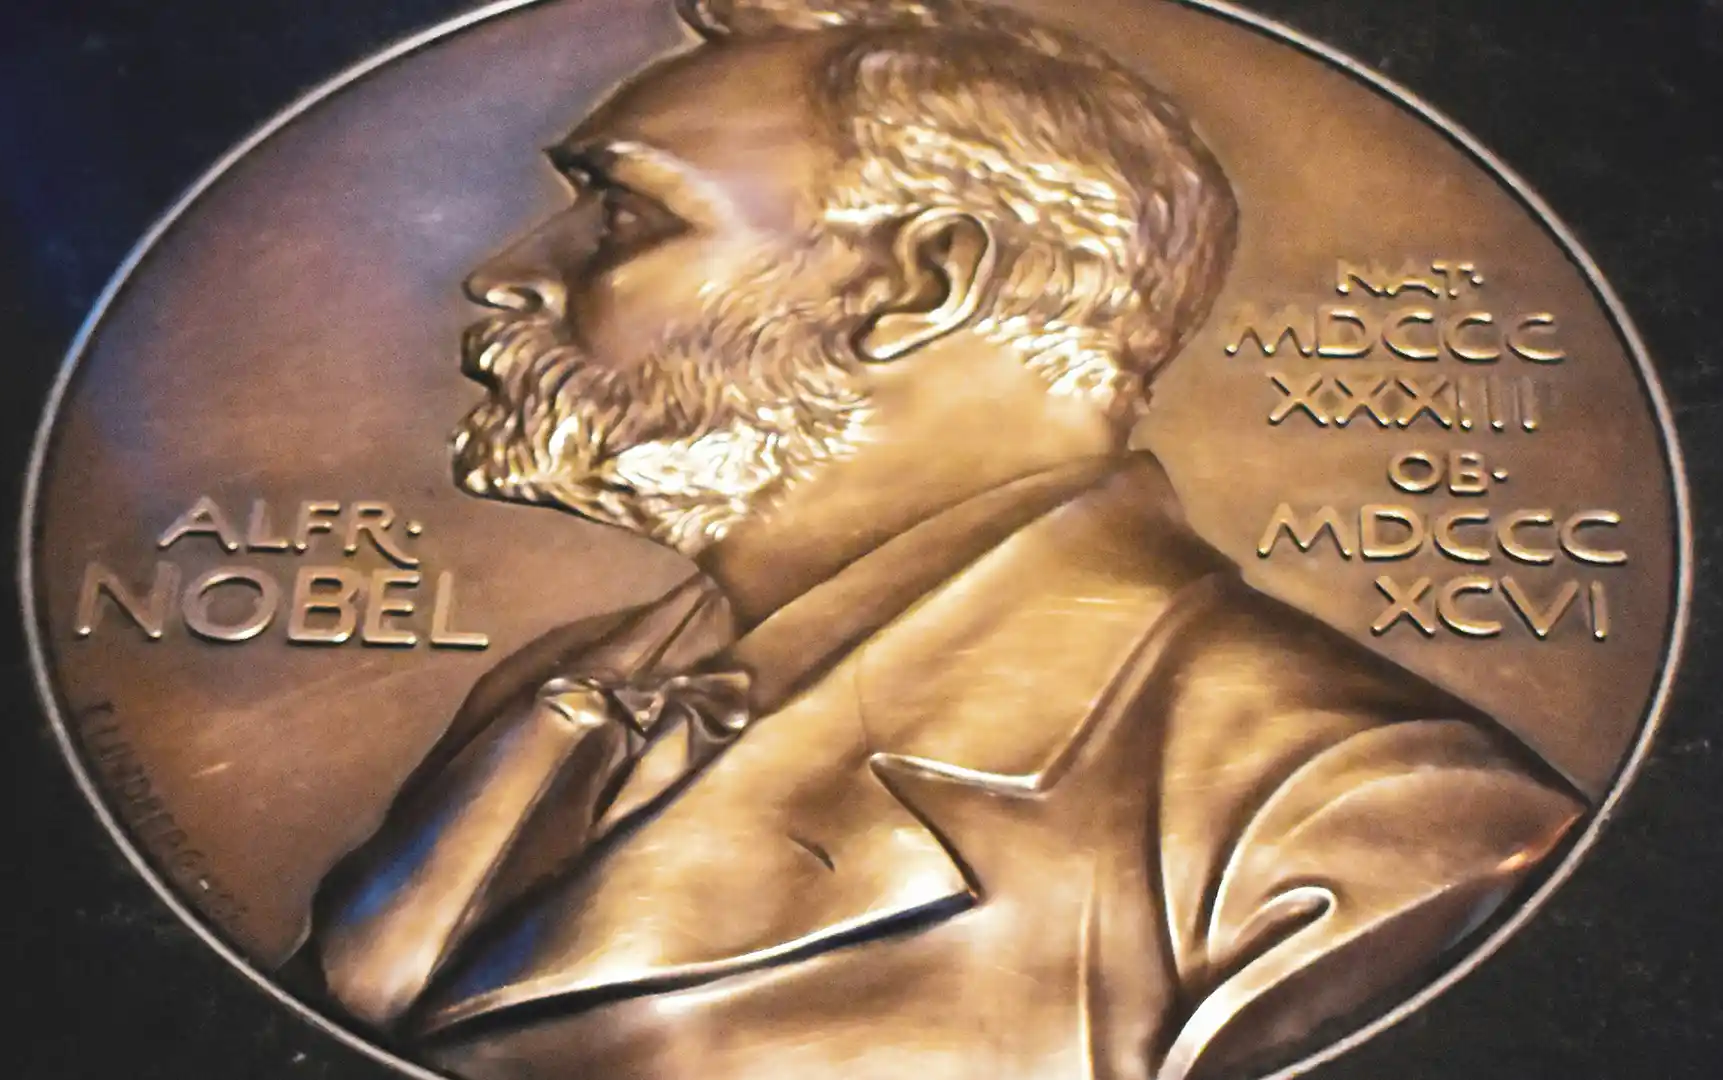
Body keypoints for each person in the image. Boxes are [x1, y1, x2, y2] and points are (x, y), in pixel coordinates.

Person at [303, 3, 1584, 1077]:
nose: (505, 272)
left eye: (627, 216)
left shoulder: (1363, 819)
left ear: (921, 283)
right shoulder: (557, 693)